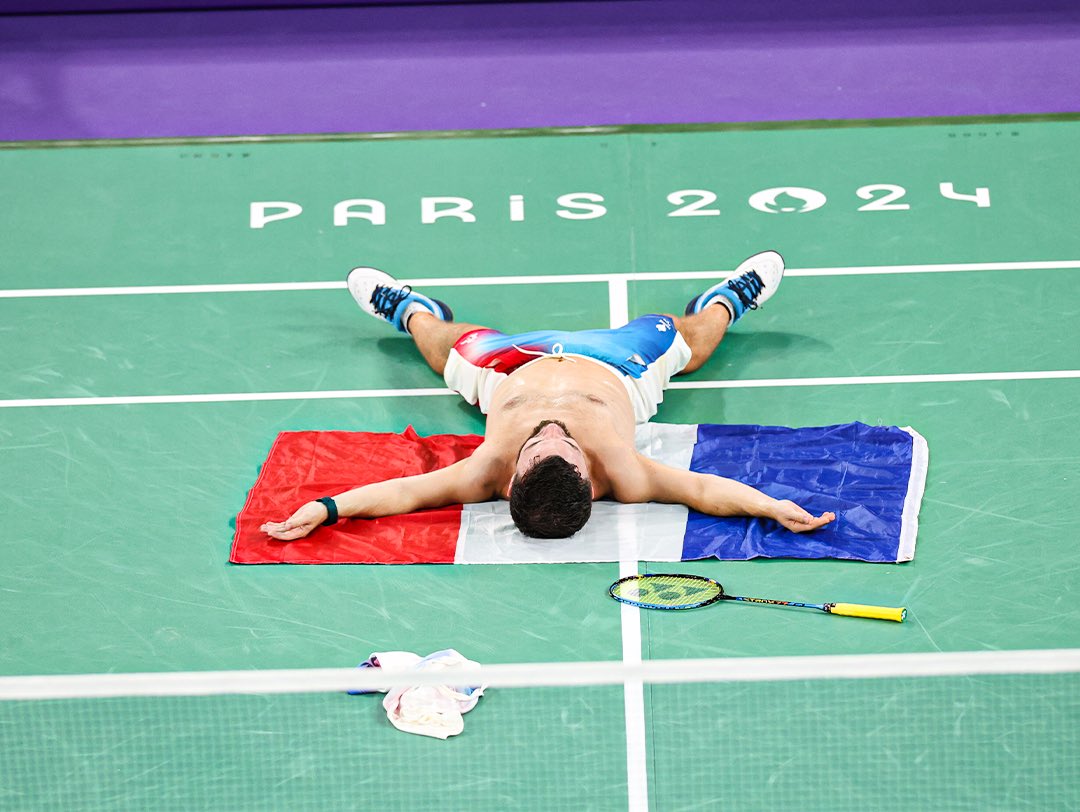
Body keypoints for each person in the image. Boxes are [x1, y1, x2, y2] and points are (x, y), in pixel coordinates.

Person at [260, 251, 835, 541]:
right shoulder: (626, 476)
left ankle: (410, 309)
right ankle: (728, 301)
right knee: (685, 337)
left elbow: (406, 492)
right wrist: (770, 506)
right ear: (590, 476)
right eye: (564, 447)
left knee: (445, 346)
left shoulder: (485, 471)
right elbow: (706, 491)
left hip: (507, 366)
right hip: (619, 364)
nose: (554, 430)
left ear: (512, 479)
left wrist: (326, 507)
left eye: (542, 447)